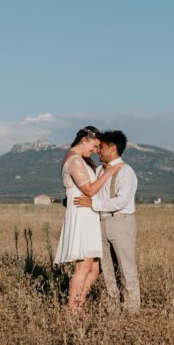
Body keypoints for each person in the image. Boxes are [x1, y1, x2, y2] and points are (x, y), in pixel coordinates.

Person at [53, 126, 123, 314]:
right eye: (93, 146)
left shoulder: (82, 160)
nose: (95, 151)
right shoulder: (74, 160)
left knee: (94, 266)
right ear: (84, 140)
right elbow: (90, 190)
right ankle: (72, 311)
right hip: (81, 214)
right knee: (83, 265)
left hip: (89, 213)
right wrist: (110, 172)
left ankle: (79, 303)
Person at [74, 130, 140, 311]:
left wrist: (92, 204)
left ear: (112, 148)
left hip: (121, 222)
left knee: (126, 269)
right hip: (101, 222)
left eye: (101, 147)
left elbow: (121, 201)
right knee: (108, 270)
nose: (97, 151)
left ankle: (132, 311)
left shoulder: (126, 171)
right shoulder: (98, 170)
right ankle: (113, 309)